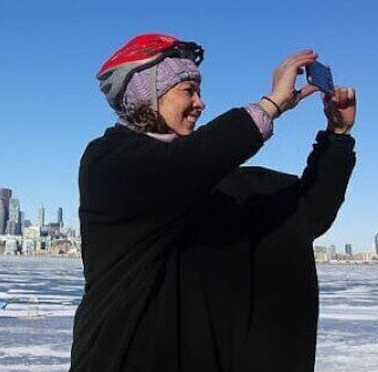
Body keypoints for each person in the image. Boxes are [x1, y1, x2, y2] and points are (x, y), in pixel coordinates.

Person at [70, 33, 357, 372]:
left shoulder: (224, 182)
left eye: (199, 91)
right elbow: (187, 164)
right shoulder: (111, 164)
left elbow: (306, 215)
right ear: (145, 95)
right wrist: (271, 105)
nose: (201, 103)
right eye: (188, 91)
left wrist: (337, 137)